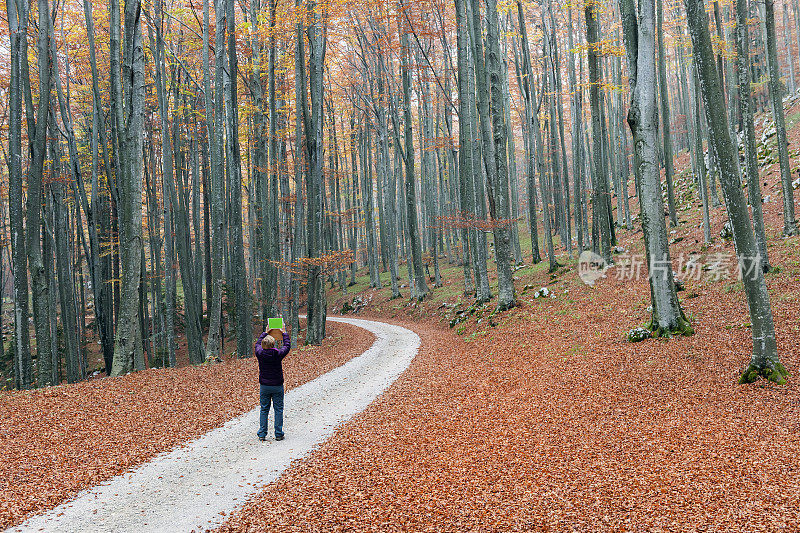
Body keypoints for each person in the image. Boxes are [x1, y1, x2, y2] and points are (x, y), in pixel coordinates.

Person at [254, 327, 291, 441]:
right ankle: (278, 434)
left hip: (264, 386)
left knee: (264, 409)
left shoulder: (260, 353)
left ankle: (262, 433)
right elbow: (287, 346)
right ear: (273, 344)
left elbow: (257, 344)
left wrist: (265, 332)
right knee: (278, 409)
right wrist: (284, 333)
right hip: (277, 386)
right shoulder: (278, 354)